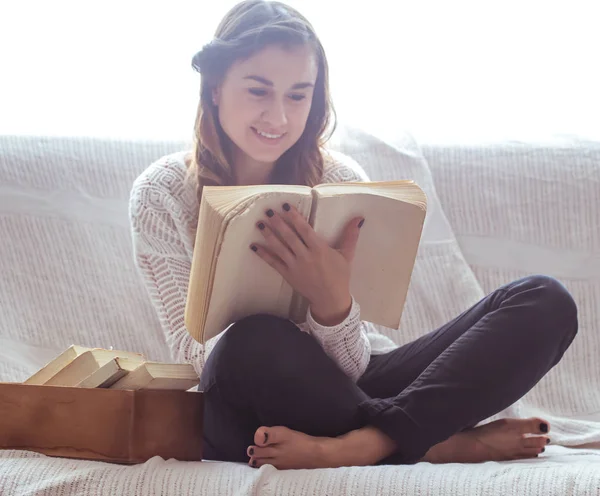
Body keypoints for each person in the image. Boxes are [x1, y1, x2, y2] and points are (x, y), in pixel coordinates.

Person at [129, 0, 578, 470]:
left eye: (298, 95)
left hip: (350, 385)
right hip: (242, 400)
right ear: (216, 88)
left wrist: (333, 306)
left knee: (545, 300)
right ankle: (433, 442)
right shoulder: (162, 195)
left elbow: (353, 368)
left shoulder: (341, 180)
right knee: (253, 338)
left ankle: (367, 445)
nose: (278, 117)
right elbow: (194, 358)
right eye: (259, 91)